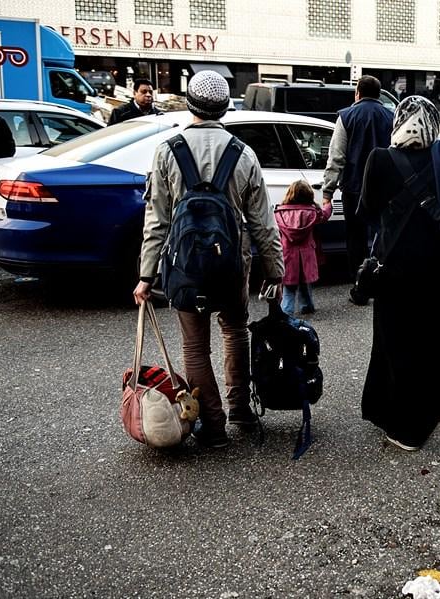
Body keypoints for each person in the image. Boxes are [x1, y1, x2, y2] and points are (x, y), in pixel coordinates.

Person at [132, 70, 284, 449]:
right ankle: (241, 409)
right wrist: (275, 272)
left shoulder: (168, 151)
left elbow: (157, 220)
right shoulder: (243, 154)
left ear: (190, 104)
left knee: (195, 347)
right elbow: (262, 223)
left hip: (185, 267)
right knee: (235, 330)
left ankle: (213, 427)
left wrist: (146, 276)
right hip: (232, 265)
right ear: (226, 107)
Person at [359, 96, 440, 451]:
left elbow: (367, 212)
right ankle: (437, 403)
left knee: (395, 344)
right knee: (435, 342)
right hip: (437, 272)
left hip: (394, 273)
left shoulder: (379, 159)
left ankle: (406, 428)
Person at [322, 75, 394, 305]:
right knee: (384, 235)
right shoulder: (391, 118)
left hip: (353, 188)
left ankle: (359, 286)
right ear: (379, 94)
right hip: (384, 189)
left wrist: (327, 192)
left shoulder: (346, 117)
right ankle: (382, 282)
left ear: (357, 93)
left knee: (355, 237)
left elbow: (336, 157)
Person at [274, 180, 333, 315]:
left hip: (287, 254)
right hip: (307, 254)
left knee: (288, 287)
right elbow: (325, 215)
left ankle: (286, 311)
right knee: (305, 284)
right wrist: (327, 204)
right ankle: (306, 306)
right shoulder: (312, 212)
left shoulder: (280, 213)